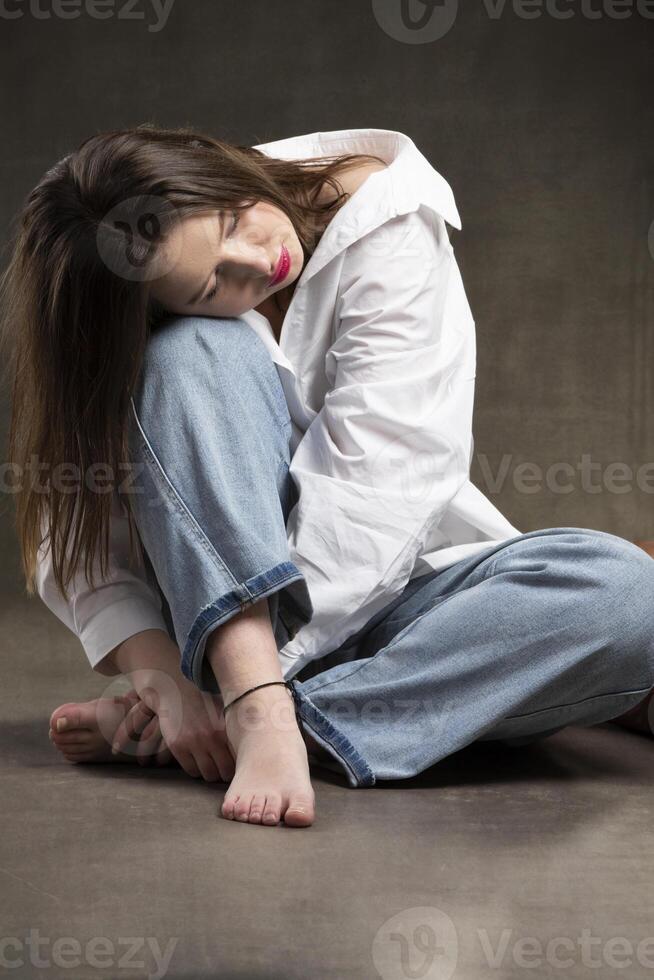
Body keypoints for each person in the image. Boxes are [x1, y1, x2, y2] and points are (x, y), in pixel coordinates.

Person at [2, 125, 653, 830]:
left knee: (622, 592)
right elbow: (72, 525)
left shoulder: (387, 225)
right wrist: (161, 669)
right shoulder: (167, 332)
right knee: (193, 354)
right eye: (214, 282)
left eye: (231, 220)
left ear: (217, 171)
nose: (259, 260)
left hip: (401, 612)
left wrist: (230, 696)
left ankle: (255, 726)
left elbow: (389, 482)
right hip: (221, 626)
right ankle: (278, 717)